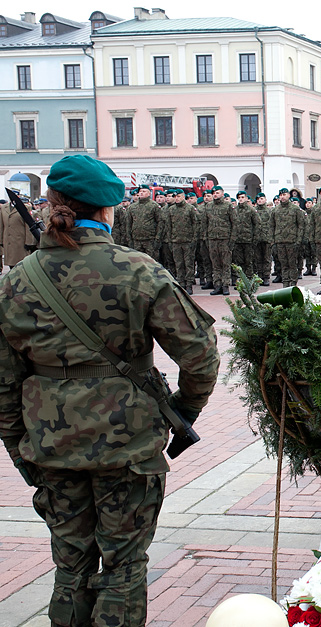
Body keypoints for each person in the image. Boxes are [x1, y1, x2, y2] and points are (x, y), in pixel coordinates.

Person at [0, 154, 220, 627]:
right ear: (107, 210)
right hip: (129, 449)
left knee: (70, 568)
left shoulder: (15, 282)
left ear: (53, 202)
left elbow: (3, 383)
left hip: (51, 448)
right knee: (123, 569)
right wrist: (182, 412)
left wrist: (23, 453)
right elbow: (200, 356)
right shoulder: (138, 270)